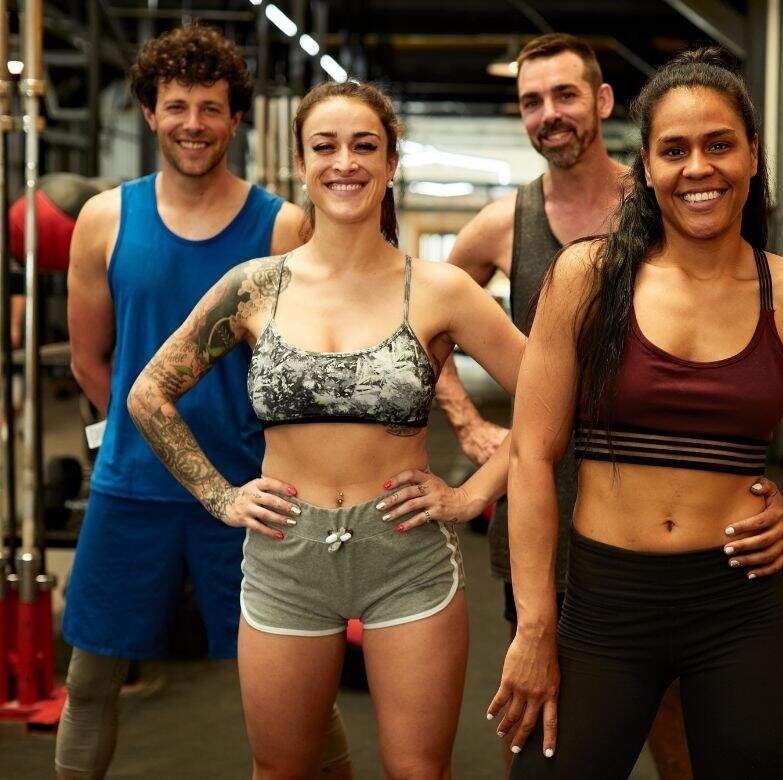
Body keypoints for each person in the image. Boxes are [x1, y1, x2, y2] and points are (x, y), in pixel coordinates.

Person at [490, 48, 783, 778]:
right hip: (602, 608)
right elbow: (531, 455)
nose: (698, 168)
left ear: (752, 155)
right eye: (673, 150)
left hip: (737, 609)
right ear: (646, 168)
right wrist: (533, 627)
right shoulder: (586, 280)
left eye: (719, 145)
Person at [127, 78, 524, 778]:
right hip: (287, 554)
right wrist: (220, 496)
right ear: (303, 162)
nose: (345, 162)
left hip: (404, 555)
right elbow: (149, 394)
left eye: (364, 146)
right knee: (282, 769)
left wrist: (472, 495)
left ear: (391, 163)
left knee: (417, 771)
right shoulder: (253, 287)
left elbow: (555, 399)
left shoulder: (440, 289)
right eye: (326, 146)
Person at [59, 23, 353, 779]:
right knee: (89, 684)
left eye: (211, 108)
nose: (194, 123)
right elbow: (92, 362)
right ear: (150, 113)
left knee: (302, 698)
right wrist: (142, 440)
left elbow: (304, 365)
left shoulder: (282, 227)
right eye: (177, 106)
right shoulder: (104, 219)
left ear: (236, 117)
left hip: (257, 495)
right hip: (133, 491)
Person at [435, 32, 691, 775]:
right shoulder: (499, 226)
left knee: (673, 712)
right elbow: (421, 325)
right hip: (546, 500)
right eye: (531, 101)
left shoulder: (661, 205)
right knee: (545, 701)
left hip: (660, 498)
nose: (549, 113)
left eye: (565, 95)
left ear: (602, 102)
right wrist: (467, 421)